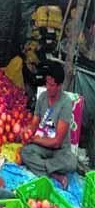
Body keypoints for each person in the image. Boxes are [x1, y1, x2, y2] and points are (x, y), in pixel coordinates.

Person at [20, 61, 77, 189]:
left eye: (52, 85)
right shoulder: (42, 98)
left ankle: (42, 168)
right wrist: (27, 131)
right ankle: (56, 175)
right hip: (43, 145)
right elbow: (35, 123)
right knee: (25, 152)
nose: (48, 87)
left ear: (59, 86)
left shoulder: (65, 103)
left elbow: (57, 142)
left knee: (71, 162)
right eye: (47, 83)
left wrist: (35, 139)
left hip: (59, 150)